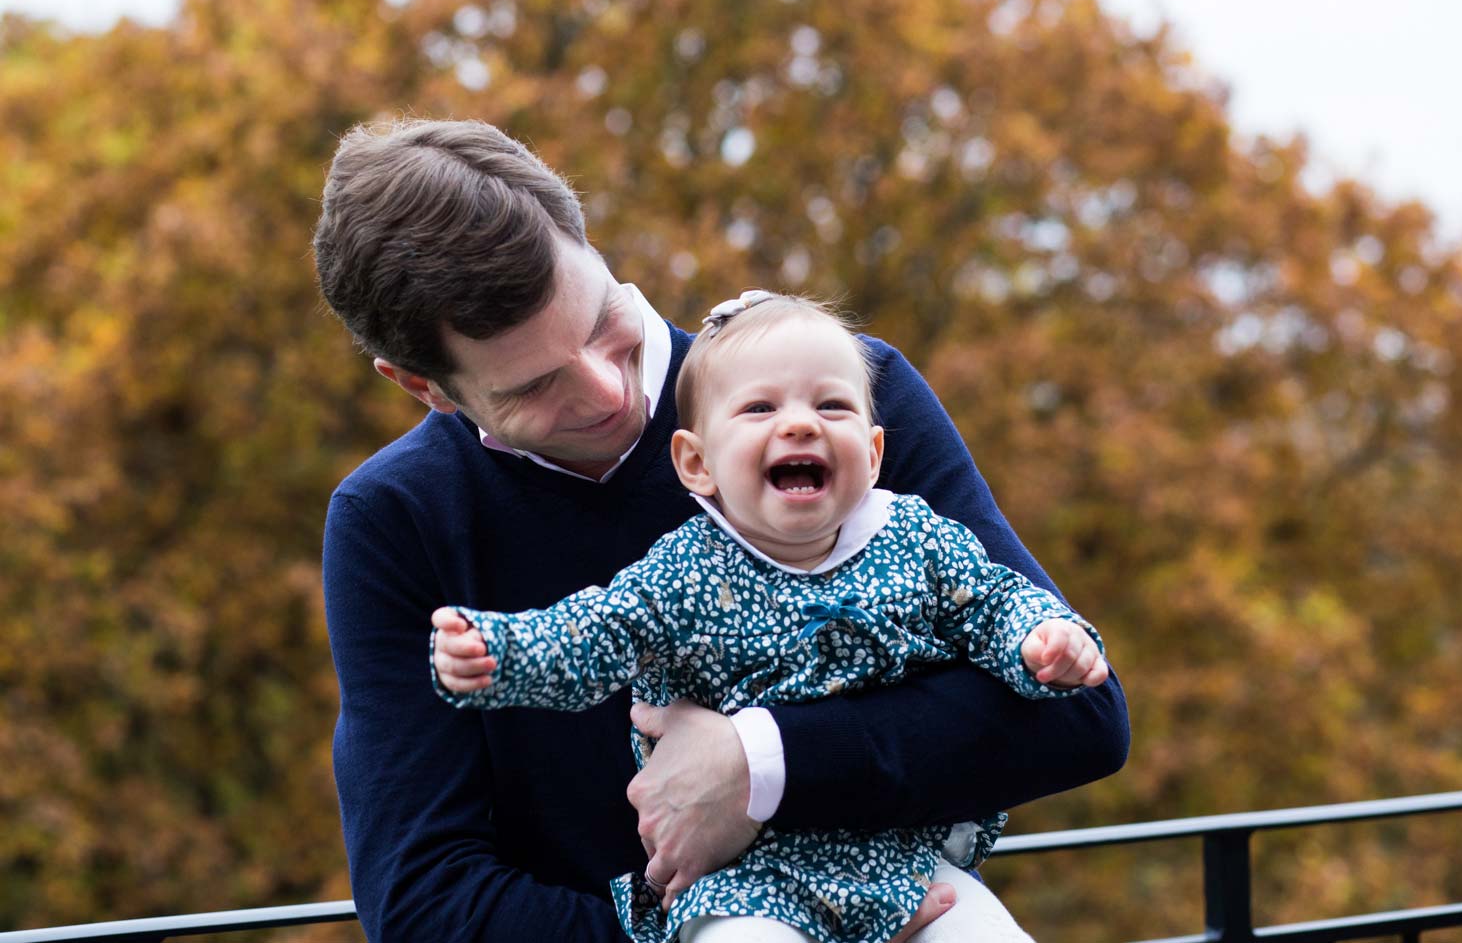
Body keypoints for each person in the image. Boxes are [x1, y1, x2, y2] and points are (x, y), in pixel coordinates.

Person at [313, 118, 1129, 943]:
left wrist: (759, 763)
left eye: (601, 321)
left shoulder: (840, 398)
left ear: (589, 245)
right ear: (422, 385)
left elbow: (1079, 714)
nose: (606, 392)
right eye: (533, 386)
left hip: (920, 905)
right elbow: (423, 903)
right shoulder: (396, 519)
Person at [429, 292, 1110, 943]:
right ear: (697, 463)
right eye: (760, 408)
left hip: (902, 854)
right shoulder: (685, 572)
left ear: (874, 453)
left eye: (832, 405)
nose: (801, 423)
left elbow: (992, 600)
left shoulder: (916, 538)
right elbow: (593, 635)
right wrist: (499, 652)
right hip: (747, 877)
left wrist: (1042, 638)